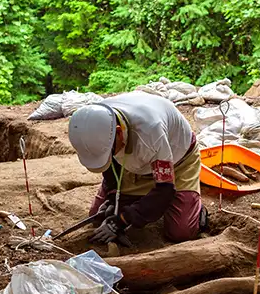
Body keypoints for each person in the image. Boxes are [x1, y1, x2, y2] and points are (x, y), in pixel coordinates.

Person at [68, 92, 206, 245]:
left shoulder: (151, 132)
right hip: (132, 165)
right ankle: (144, 201)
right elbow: (109, 164)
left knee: (181, 231)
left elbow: (165, 189)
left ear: (119, 132)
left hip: (178, 162)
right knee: (97, 216)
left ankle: (194, 207)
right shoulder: (98, 122)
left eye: (109, 152)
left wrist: (121, 220)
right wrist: (112, 196)